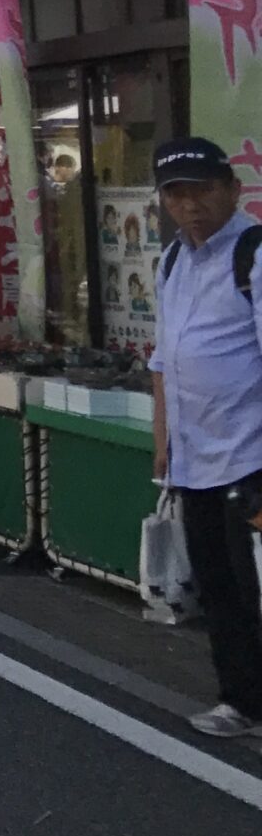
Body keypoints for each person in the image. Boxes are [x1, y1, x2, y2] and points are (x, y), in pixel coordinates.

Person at [149, 137, 262, 737]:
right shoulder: (172, 260)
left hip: (251, 458)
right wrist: (162, 441)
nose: (191, 206)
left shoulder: (254, 253)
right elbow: (163, 360)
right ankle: (240, 700)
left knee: (255, 587)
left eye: (202, 191)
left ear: (233, 189)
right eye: (177, 194)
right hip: (195, 459)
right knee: (217, 586)